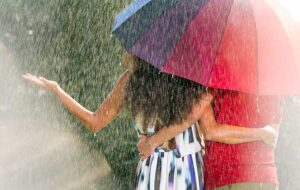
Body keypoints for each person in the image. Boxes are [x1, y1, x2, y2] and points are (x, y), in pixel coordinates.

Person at [23, 53, 277, 190]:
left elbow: (94, 121)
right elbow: (209, 128)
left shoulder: (131, 82)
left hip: (151, 170)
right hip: (187, 169)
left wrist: (58, 91)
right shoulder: (189, 82)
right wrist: (261, 133)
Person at [137, 88, 283, 190]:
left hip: (226, 178)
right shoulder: (274, 83)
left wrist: (153, 141)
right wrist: (261, 133)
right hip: (266, 178)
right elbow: (272, 135)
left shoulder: (217, 75)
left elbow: (208, 129)